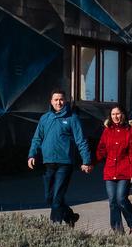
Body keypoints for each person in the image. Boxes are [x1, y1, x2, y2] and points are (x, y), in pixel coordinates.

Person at [27, 89, 92, 226]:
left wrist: (86, 161)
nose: (59, 102)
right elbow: (37, 138)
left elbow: (81, 140)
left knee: (57, 197)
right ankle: (70, 216)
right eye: (56, 100)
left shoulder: (72, 118)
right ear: (51, 101)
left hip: (65, 163)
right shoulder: (45, 118)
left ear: (65, 101)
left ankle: (55, 226)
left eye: (61, 99)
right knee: (49, 197)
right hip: (48, 163)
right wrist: (32, 154)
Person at [95, 105, 132, 235]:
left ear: (124, 115)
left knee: (121, 199)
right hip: (110, 171)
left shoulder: (131, 131)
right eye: (113, 114)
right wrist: (90, 163)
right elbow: (101, 150)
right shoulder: (107, 131)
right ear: (110, 116)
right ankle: (117, 230)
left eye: (118, 113)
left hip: (125, 171)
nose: (116, 116)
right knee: (112, 201)